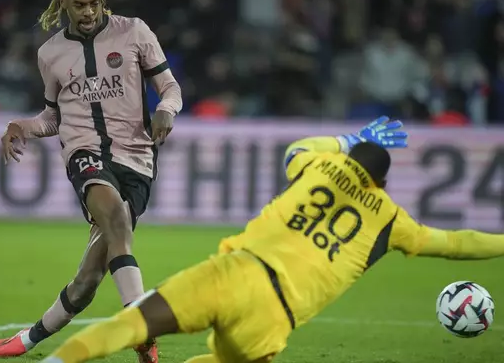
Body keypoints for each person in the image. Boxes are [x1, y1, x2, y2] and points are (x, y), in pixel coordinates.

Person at [38, 117, 504, 363]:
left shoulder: (320, 165)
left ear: (349, 162)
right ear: (380, 184)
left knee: (133, 325)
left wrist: (346, 139)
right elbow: (457, 242)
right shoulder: (392, 220)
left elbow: (297, 148)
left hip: (233, 272)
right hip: (272, 320)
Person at [0, 0, 182, 362]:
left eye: (94, 3)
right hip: (84, 153)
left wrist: (166, 111)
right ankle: (141, 330)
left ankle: (25, 341)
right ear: (64, 4)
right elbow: (53, 118)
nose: (88, 12)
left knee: (88, 280)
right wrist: (21, 126)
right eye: (79, 4)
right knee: (116, 218)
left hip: (137, 157)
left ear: (102, 0)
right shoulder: (51, 53)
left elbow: (170, 87)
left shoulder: (135, 32)